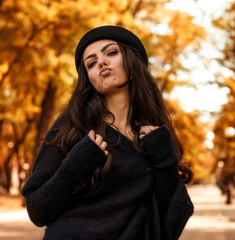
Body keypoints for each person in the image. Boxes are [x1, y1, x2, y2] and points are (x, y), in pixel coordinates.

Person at [21, 25, 194, 240]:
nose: (101, 62)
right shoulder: (71, 127)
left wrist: (166, 162)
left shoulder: (153, 138)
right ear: (89, 78)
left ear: (131, 61)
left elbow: (171, 221)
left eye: (111, 52)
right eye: (91, 63)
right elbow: (37, 211)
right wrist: (75, 166)